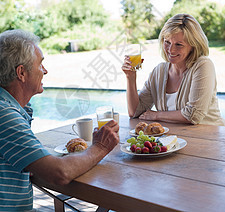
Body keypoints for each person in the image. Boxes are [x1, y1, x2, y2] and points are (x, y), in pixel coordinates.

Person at [0, 29, 119, 211]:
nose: (45, 71)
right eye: (40, 64)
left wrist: (36, 163)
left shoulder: (13, 108)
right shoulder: (5, 114)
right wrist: (100, 147)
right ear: (21, 73)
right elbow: (60, 174)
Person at [122, 13, 224, 126]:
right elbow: (135, 112)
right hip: (175, 140)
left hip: (210, 139)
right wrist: (130, 77)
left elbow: (193, 115)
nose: (171, 50)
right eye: (167, 42)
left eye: (179, 44)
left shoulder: (203, 65)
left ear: (193, 46)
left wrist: (156, 115)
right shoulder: (159, 71)